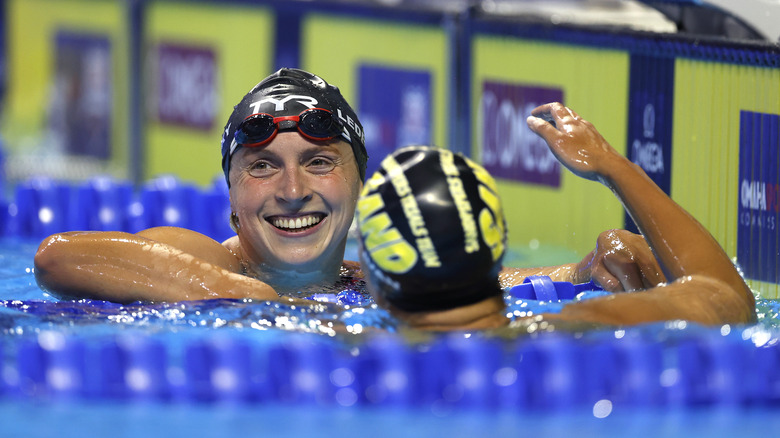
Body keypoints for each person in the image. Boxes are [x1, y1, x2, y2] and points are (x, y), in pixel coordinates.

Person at [358, 103, 756, 330]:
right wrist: (611, 166)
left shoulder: (354, 354)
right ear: (497, 246)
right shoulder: (571, 332)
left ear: (375, 277)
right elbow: (728, 299)